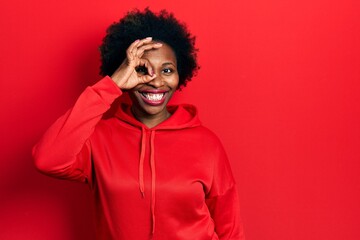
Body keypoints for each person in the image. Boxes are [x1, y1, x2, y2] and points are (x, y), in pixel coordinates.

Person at [33, 8, 245, 240]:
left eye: (167, 70)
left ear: (179, 75)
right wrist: (110, 87)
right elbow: (47, 159)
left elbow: (230, 229)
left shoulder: (207, 144)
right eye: (142, 70)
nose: (155, 81)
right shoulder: (98, 137)